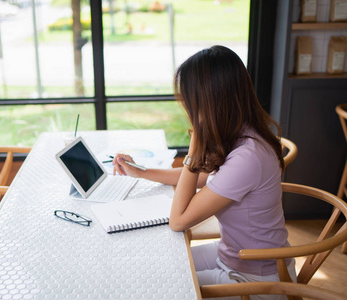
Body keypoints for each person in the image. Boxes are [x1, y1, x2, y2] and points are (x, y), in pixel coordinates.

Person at [113, 45, 296, 300]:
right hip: (234, 255)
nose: (187, 108)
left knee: (156, 284)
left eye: (190, 101)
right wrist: (141, 173)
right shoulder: (240, 132)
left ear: (209, 102)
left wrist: (195, 143)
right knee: (153, 265)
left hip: (255, 278)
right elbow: (202, 178)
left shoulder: (248, 156)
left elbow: (179, 221)